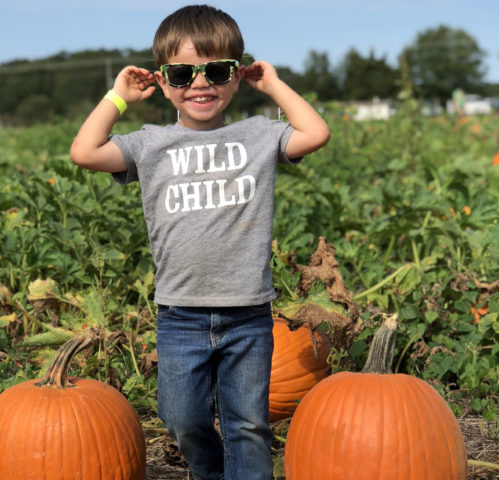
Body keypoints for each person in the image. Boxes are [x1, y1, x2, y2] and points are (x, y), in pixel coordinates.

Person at [70, 5, 329, 479]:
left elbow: (316, 132)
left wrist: (272, 85)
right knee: (183, 418)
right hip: (180, 314)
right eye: (184, 73)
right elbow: (84, 151)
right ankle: (209, 471)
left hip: (248, 313)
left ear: (236, 75)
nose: (200, 83)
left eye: (217, 70)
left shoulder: (257, 135)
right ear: (163, 81)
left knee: (248, 424)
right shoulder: (148, 145)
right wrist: (118, 97)